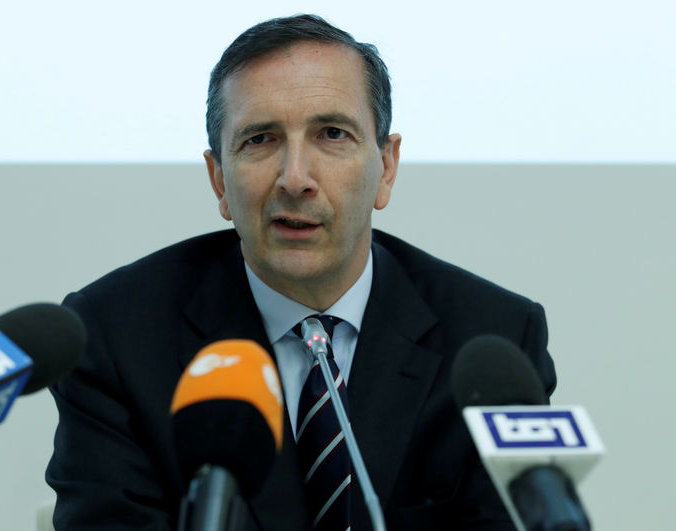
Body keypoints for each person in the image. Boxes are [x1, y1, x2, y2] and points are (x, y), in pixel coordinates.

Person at [46, 14, 556, 530]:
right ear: (219, 178)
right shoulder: (115, 337)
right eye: (260, 139)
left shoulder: (495, 339)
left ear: (387, 167)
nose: (295, 178)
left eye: (332, 134)